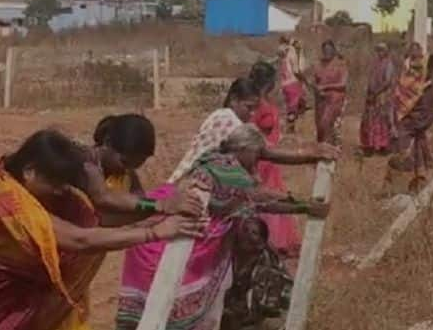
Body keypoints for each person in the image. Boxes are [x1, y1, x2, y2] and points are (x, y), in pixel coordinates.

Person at [0, 129, 206, 330]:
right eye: (56, 183)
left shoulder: (48, 193)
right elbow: (79, 238)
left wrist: (158, 211)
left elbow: (95, 220)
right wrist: (154, 230)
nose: (61, 191)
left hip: (3, 305)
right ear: (30, 171)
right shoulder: (6, 201)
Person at [115, 125, 329, 330]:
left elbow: (266, 166)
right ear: (245, 149)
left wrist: (312, 156)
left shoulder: (216, 158)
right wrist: (304, 205)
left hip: (170, 234)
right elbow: (260, 196)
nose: (260, 160)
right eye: (257, 154)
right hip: (180, 237)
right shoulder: (226, 167)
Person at [167, 77, 339, 185]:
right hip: (185, 188)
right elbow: (268, 152)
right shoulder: (227, 119)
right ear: (234, 100)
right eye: (248, 108)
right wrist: (311, 153)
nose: (252, 114)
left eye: (255, 109)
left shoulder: (222, 117)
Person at [77, 114, 204, 227]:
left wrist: (174, 196)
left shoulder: (127, 173)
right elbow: (103, 200)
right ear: (107, 142)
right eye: (125, 162)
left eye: (137, 165)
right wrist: (162, 205)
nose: (128, 169)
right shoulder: (84, 163)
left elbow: (140, 207)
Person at [249, 61, 301, 257]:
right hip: (265, 159)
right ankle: (271, 240)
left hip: (259, 157)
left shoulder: (251, 103)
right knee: (268, 198)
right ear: (269, 83)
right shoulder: (263, 105)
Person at [392, 44, 433, 189]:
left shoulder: (426, 64)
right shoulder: (408, 69)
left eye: (418, 54)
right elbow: (404, 89)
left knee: (416, 139)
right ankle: (419, 173)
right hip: (411, 110)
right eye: (414, 54)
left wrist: (432, 82)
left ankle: (421, 172)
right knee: (417, 141)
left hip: (422, 110)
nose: (417, 57)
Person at [301, 40, 349, 146]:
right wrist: (313, 86)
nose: (327, 52)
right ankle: (323, 149)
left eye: (329, 50)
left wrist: (326, 87)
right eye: (325, 50)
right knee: (320, 126)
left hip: (335, 98)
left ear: (333, 51)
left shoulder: (341, 64)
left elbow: (343, 84)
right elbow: (310, 79)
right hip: (321, 99)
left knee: (327, 123)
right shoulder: (319, 64)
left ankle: (332, 148)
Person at [360, 43, 396, 155]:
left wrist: (377, 92)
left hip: (382, 96)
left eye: (382, 50)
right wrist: (370, 93)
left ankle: (383, 145)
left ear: (386, 52)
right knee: (370, 120)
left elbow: (388, 81)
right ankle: (370, 144)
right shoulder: (374, 64)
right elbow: (370, 79)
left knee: (383, 121)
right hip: (373, 96)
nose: (380, 52)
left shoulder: (388, 64)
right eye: (378, 50)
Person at [278, 36, 306, 133]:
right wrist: (304, 80)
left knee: (290, 107)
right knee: (293, 108)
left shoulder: (282, 52)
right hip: (293, 83)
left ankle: (290, 128)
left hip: (284, 84)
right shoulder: (291, 51)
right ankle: (290, 131)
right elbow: (296, 70)